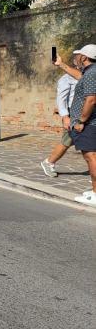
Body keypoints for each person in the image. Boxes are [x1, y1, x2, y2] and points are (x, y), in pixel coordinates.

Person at [41, 53, 82, 177]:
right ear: (76, 62)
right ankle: (49, 162)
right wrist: (65, 117)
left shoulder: (88, 75)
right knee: (67, 141)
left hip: (87, 112)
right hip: (73, 113)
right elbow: (61, 99)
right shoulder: (65, 79)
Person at [68, 44, 96, 207]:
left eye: (78, 55)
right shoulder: (90, 73)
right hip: (91, 123)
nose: (76, 58)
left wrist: (81, 121)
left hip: (89, 123)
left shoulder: (92, 73)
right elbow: (80, 76)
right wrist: (61, 65)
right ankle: (94, 191)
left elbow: (91, 99)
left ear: (84, 58)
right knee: (91, 157)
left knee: (91, 157)